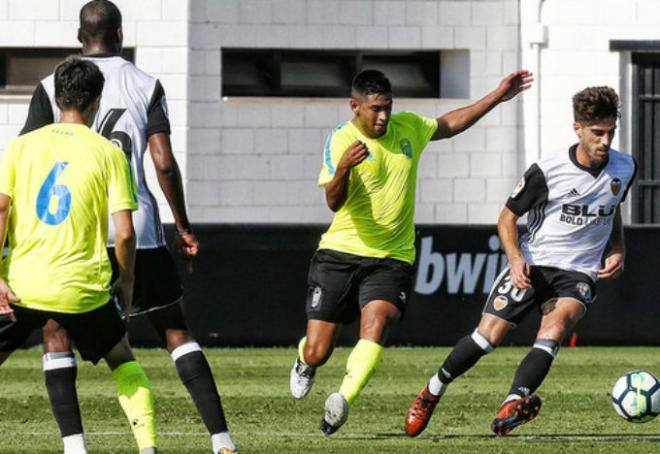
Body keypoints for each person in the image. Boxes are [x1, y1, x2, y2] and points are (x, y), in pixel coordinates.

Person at [21, 2, 236, 453]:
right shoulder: (145, 83)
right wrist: (182, 225)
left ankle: (75, 446)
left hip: (73, 228)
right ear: (119, 32)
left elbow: (33, 158)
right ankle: (221, 439)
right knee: (175, 330)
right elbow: (163, 163)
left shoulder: (51, 84)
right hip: (136, 223)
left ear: (80, 36)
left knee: (56, 330)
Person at [289, 68, 533, 435]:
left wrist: (496, 96)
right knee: (318, 351)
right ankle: (305, 360)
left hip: (392, 257)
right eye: (375, 109)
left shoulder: (407, 128)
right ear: (355, 106)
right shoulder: (341, 140)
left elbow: (448, 125)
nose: (383, 116)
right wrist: (343, 169)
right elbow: (333, 203)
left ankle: (342, 401)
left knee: (378, 323)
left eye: (387, 107)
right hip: (340, 253)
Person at [405, 86, 637, 437]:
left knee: (554, 330)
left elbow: (612, 210)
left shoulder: (625, 167)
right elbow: (506, 218)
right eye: (597, 133)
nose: (605, 141)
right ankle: (432, 391)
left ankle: (513, 403)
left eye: (610, 133)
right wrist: (514, 259)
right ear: (578, 128)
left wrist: (617, 248)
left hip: (579, 270)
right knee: (486, 338)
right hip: (534, 262)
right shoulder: (547, 171)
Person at [0, 57, 157, 453]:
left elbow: (1, 209)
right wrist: (126, 280)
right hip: (82, 292)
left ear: (56, 98)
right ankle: (148, 447)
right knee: (123, 358)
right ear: (96, 102)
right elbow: (124, 233)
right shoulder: (108, 154)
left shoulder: (19, 147)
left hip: (20, 287)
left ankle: (76, 448)